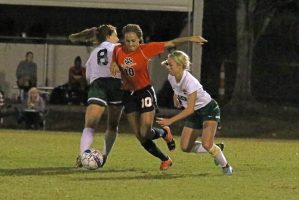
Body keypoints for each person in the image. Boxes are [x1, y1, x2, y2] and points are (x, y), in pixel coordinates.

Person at [110, 24, 207, 171]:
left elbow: (172, 43)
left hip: (144, 92)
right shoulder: (117, 49)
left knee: (145, 132)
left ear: (140, 40)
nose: (130, 44)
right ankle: (165, 159)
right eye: (127, 41)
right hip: (128, 95)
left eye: (134, 41)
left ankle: (164, 132)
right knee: (139, 135)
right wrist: (113, 63)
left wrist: (191, 39)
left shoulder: (146, 49)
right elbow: (115, 57)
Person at [157, 50, 233, 175]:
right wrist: (176, 97)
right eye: (167, 64)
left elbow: (189, 109)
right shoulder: (171, 77)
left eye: (170, 65)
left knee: (207, 143)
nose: (168, 67)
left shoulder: (190, 82)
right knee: (185, 147)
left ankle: (226, 167)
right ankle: (216, 147)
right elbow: (177, 90)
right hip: (195, 113)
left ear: (180, 66)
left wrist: (170, 120)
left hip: (208, 109)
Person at [68, 24, 124, 167]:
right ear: (108, 36)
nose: (117, 38)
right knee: (112, 125)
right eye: (115, 34)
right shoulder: (119, 48)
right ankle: (104, 157)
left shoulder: (94, 53)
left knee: (90, 125)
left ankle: (82, 156)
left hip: (98, 85)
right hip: (117, 85)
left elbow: (88, 76)